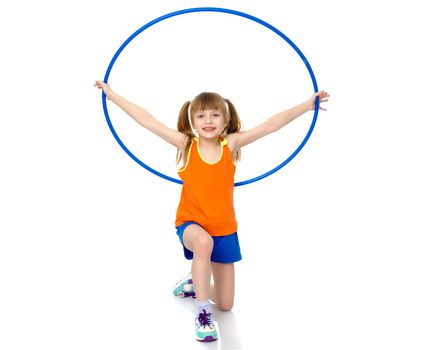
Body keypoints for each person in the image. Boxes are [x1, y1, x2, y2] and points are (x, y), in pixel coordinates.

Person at [94, 81, 329, 342]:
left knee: (227, 304)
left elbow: (269, 126)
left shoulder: (231, 144)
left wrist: (307, 106)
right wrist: (112, 96)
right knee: (203, 243)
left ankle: (197, 282)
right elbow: (148, 121)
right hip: (191, 225)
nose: (209, 120)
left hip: (225, 229)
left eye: (215, 114)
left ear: (225, 120)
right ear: (192, 121)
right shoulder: (186, 144)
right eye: (202, 115)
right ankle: (203, 312)